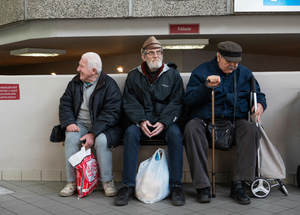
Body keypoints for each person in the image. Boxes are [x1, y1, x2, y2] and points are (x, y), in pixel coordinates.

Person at [183, 41, 267, 205]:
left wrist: (260, 104)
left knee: (251, 130)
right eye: (229, 61)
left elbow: (259, 94)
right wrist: (206, 87)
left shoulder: (245, 73)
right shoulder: (201, 71)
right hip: (205, 122)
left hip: (235, 122)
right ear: (219, 56)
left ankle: (239, 185)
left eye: (236, 62)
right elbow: (189, 100)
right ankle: (202, 187)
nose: (233, 65)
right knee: (191, 128)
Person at [115, 36, 185, 206]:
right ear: (143, 56)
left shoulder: (173, 75)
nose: (156, 56)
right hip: (142, 123)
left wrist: (164, 122)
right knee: (130, 133)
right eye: (151, 53)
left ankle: (176, 185)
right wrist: (140, 121)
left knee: (176, 134)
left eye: (159, 52)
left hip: (165, 123)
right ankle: (128, 185)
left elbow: (177, 102)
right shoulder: (133, 76)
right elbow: (130, 102)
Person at [59, 52, 123, 197]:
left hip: (104, 127)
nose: (77, 69)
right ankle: (72, 182)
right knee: (71, 138)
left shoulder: (110, 85)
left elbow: (111, 114)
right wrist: (69, 122)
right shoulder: (74, 83)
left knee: (102, 141)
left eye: (81, 66)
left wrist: (93, 133)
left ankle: (107, 181)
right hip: (79, 124)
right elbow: (65, 104)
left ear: (93, 71)